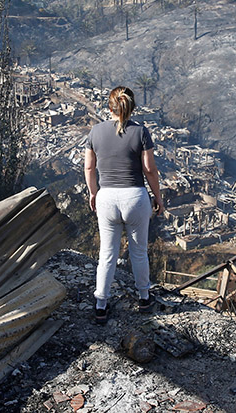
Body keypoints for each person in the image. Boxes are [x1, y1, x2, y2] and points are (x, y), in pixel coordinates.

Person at [85, 86, 164, 325]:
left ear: (109, 107)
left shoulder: (95, 132)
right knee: (138, 251)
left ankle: (100, 305)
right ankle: (144, 298)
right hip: (135, 197)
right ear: (132, 108)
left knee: (107, 254)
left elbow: (89, 168)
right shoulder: (141, 132)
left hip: (106, 197)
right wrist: (158, 197)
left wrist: (93, 193)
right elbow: (149, 169)